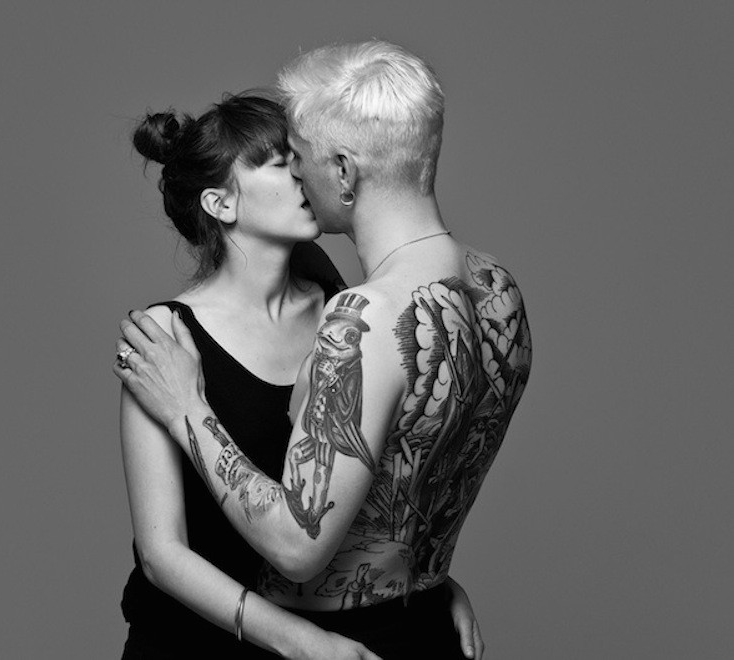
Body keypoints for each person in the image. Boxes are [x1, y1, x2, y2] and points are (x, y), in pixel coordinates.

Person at [115, 41, 532, 659]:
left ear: (342, 172)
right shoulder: (496, 288)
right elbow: (161, 552)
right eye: (277, 162)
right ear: (219, 202)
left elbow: (325, 524)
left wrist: (424, 580)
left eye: (299, 156)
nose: (297, 174)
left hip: (367, 631)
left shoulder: (351, 312)